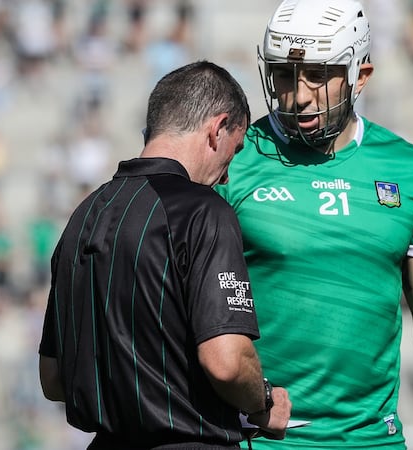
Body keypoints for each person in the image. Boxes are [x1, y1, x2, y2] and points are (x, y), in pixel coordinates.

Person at [214, 1, 413, 449]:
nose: (298, 94)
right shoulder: (235, 160)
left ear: (360, 75)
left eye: (318, 75)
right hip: (259, 440)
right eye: (284, 74)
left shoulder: (406, 168)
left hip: (374, 441)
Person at [38, 60, 292, 449]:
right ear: (217, 128)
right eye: (235, 150)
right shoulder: (203, 210)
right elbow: (226, 362)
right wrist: (263, 401)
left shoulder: (83, 215)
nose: (227, 175)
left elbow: (53, 378)